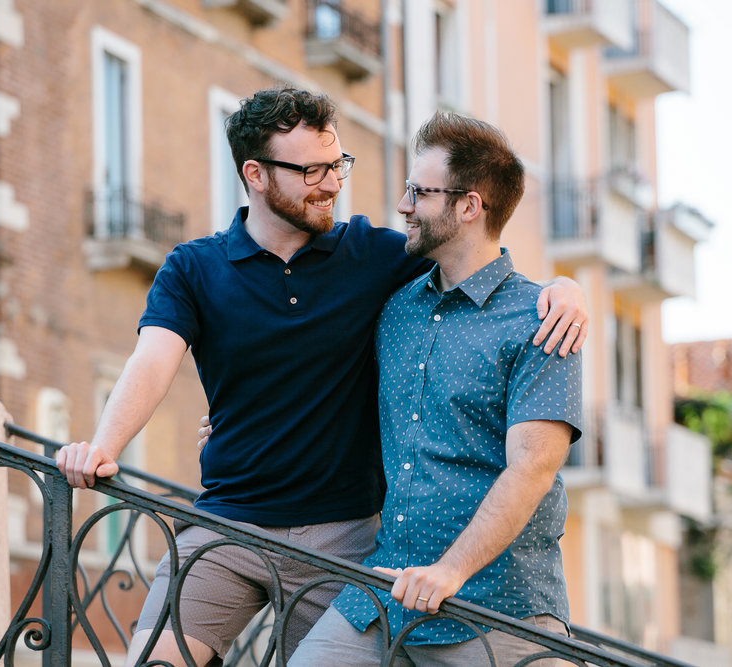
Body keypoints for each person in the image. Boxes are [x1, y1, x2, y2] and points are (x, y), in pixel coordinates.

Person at [55, 88, 587, 667]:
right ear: (256, 174)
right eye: (312, 170)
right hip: (229, 520)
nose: (333, 183)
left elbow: (477, 264)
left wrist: (566, 290)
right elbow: (152, 360)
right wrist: (103, 446)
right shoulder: (194, 267)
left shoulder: (379, 258)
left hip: (350, 541)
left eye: (337, 165)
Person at [288, 111, 581, 666]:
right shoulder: (396, 309)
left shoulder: (541, 319)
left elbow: (533, 467)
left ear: (469, 207)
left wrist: (451, 570)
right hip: (381, 596)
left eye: (418, 193)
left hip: (500, 609)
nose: (403, 206)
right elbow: (329, 388)